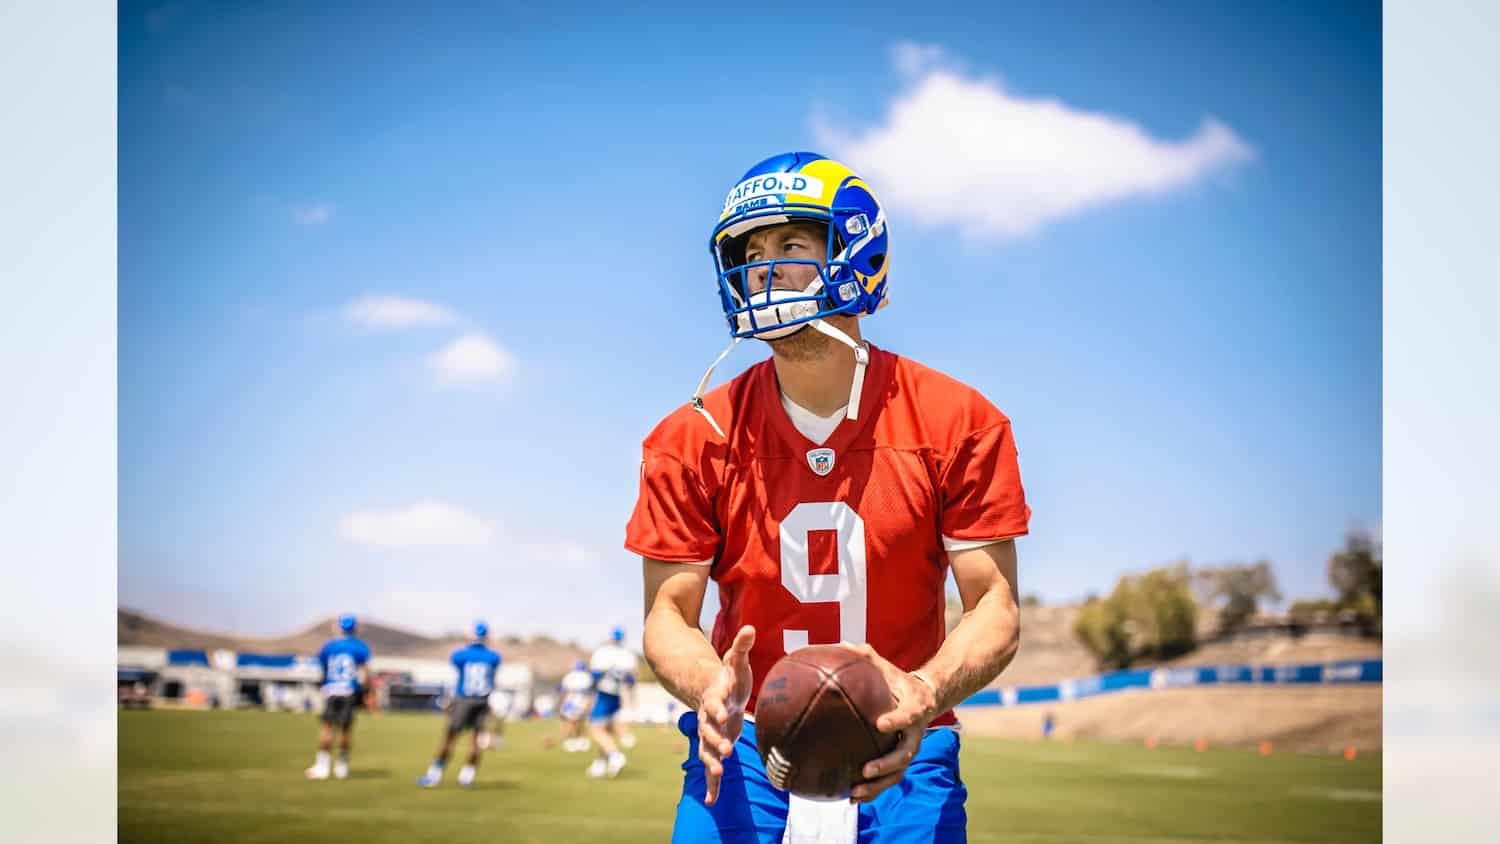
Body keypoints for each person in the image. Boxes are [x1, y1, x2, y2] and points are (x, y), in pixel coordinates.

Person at [629, 152, 1029, 842]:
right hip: (748, 746)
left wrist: (923, 693)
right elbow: (668, 614)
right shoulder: (692, 436)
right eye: (751, 253)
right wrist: (709, 688)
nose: (764, 268)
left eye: (790, 245)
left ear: (855, 250)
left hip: (906, 740)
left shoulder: (957, 420)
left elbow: (994, 606)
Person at [418, 620, 501, 788]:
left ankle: (434, 776)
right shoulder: (493, 657)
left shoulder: (460, 655)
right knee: (476, 742)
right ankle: (466, 778)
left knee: (449, 739)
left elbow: (459, 668)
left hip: (464, 699)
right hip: (482, 700)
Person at [305, 613, 372, 781]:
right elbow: (363, 672)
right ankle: (342, 766)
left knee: (327, 728)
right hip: (349, 691)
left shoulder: (329, 647)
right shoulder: (360, 647)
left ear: (339, 627)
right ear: (354, 628)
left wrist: (322, 684)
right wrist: (365, 691)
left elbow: (323, 670)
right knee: (346, 730)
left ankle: (322, 766)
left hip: (332, 690)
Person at [585, 626, 639, 778]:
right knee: (606, 730)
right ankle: (600, 763)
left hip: (604, 693)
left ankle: (615, 756)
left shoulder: (603, 652)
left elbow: (595, 675)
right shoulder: (627, 655)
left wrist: (589, 696)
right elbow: (631, 680)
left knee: (595, 729)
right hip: (618, 695)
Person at [558, 658, 595, 752]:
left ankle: (572, 740)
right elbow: (590, 692)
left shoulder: (569, 676)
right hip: (581, 702)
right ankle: (578, 740)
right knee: (579, 721)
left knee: (570, 722)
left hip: (570, 701)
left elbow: (562, 691)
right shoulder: (587, 676)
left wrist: (561, 704)